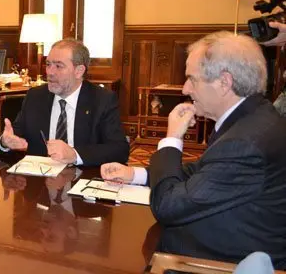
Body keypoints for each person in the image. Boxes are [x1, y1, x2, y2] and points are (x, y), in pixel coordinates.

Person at [100, 31, 286, 269]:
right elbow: (203, 171)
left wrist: (172, 139)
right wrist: (138, 174)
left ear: (224, 82)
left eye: (192, 79)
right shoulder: (253, 117)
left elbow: (166, 207)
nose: (185, 89)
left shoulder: (244, 142)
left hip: (218, 260)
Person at [0, 39, 128, 166]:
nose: (50, 72)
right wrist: (5, 142)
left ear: (79, 71)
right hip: (40, 180)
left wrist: (75, 155)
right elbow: (14, 134)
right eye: (48, 64)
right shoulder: (36, 96)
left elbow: (119, 149)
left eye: (59, 66)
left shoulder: (102, 100)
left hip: (82, 177)